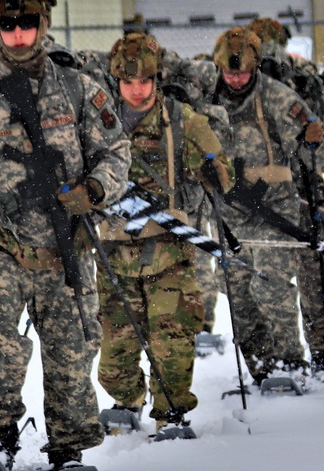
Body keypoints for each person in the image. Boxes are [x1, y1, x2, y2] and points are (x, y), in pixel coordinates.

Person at [0, 0, 131, 471]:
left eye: (27, 24)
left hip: (67, 247)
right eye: (7, 25)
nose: (17, 34)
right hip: (1, 245)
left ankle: (69, 444)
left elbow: (115, 153)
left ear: (44, 24)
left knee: (71, 350)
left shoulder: (79, 88)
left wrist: (95, 190)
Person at [94, 31, 234, 432]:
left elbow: (222, 172)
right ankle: (127, 399)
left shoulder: (182, 120)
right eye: (127, 82)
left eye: (144, 82)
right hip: (114, 253)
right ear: (116, 81)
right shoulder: (98, 121)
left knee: (171, 346)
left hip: (170, 252)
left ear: (157, 80)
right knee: (114, 355)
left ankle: (170, 412)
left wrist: (213, 172)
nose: (136, 91)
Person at [207, 27, 324, 385]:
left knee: (271, 286)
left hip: (274, 211)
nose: (235, 80)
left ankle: (290, 363)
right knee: (238, 294)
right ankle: (262, 367)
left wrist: (311, 138)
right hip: (229, 215)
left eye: (242, 73)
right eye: (229, 73)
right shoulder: (208, 97)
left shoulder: (277, 97)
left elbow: (315, 150)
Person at [246, 17, 324, 372]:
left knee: (313, 270)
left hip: (305, 192)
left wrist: (304, 154)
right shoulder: (239, 87)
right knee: (261, 276)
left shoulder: (304, 84)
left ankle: (320, 353)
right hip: (256, 196)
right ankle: (274, 358)